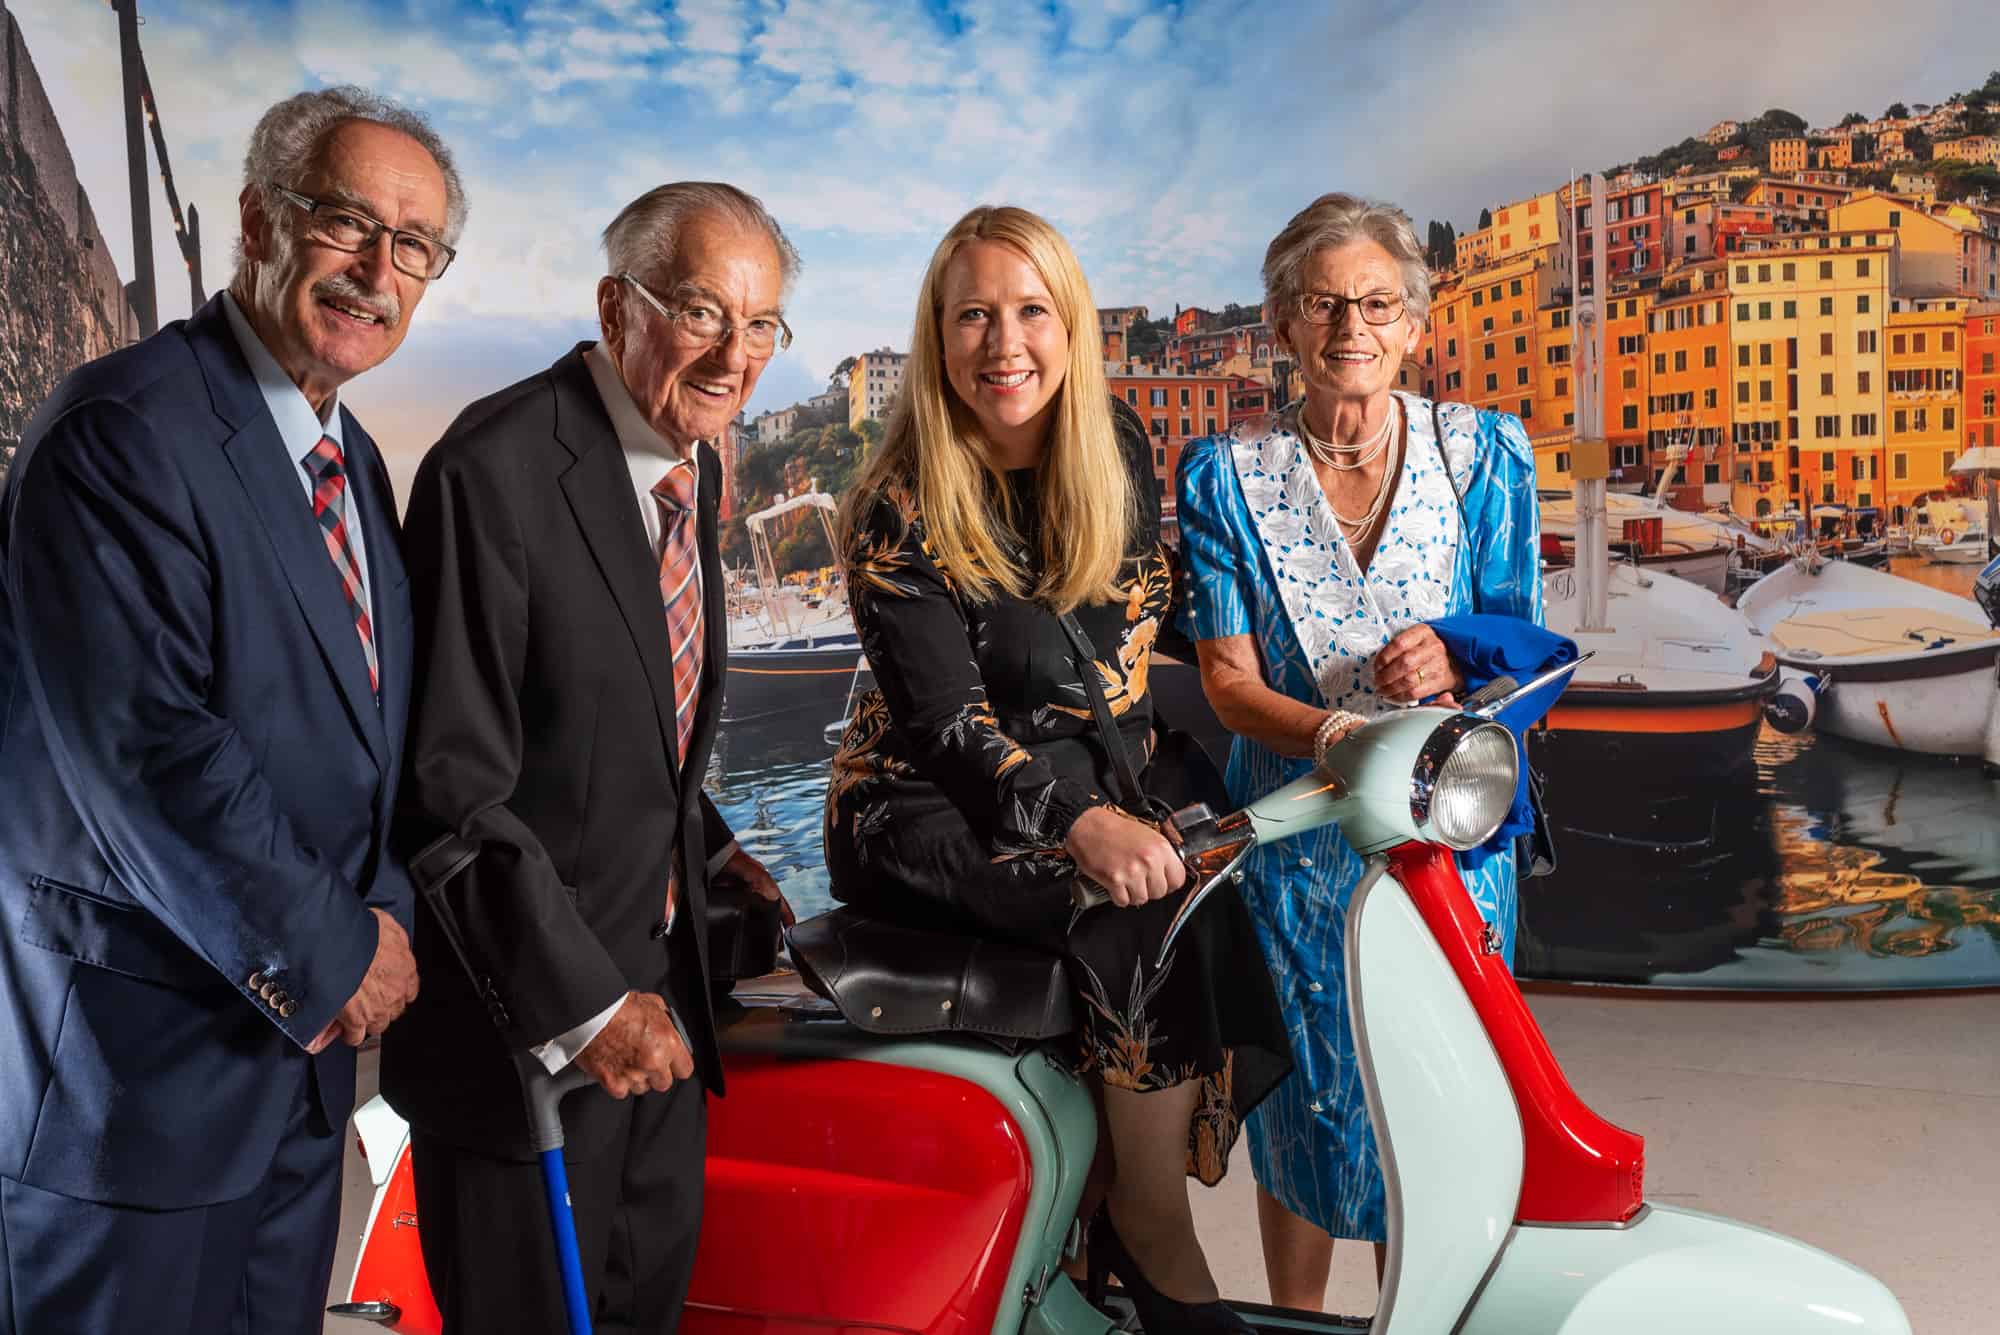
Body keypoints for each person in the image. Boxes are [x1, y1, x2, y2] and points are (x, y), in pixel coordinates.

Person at [0, 86, 461, 1333]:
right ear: (259, 219)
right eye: (346, 222)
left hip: (286, 1083)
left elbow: (367, 741)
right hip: (134, 1093)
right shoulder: (120, 432)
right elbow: (151, 752)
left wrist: (381, 914)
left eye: (415, 246)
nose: (378, 272)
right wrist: (340, 952)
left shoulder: (352, 461)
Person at [824, 205, 1289, 1334]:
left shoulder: (1112, 441)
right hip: (926, 800)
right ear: (936, 336)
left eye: (1030, 310)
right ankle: (1151, 1227)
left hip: (1089, 763)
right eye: (972, 316)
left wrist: (1316, 671)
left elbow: (1140, 610)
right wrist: (1084, 826)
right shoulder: (895, 507)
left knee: (1211, 864)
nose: (1004, 344)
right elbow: (947, 727)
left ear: (1072, 326)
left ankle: (1117, 1193)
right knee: (1135, 906)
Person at [383, 182, 790, 1334]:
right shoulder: (491, 470)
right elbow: (450, 795)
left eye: (760, 325)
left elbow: (625, 722)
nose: (733, 356)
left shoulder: (692, 466)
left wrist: (714, 854)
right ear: (618, 308)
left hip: (658, 1032)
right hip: (527, 1045)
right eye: (702, 312)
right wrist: (589, 1006)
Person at [1175, 193, 1544, 1311]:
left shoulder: (1485, 454)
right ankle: (1293, 1324)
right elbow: (1227, 683)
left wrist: (1453, 659)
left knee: (1433, 1114)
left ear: (1415, 324)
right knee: (1303, 1110)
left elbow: (1526, 660)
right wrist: (1336, 732)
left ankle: (1411, 1321)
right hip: (1293, 854)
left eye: (1378, 303)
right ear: (1281, 324)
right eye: (1324, 302)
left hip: (1446, 854)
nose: (1352, 326)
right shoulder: (1221, 475)